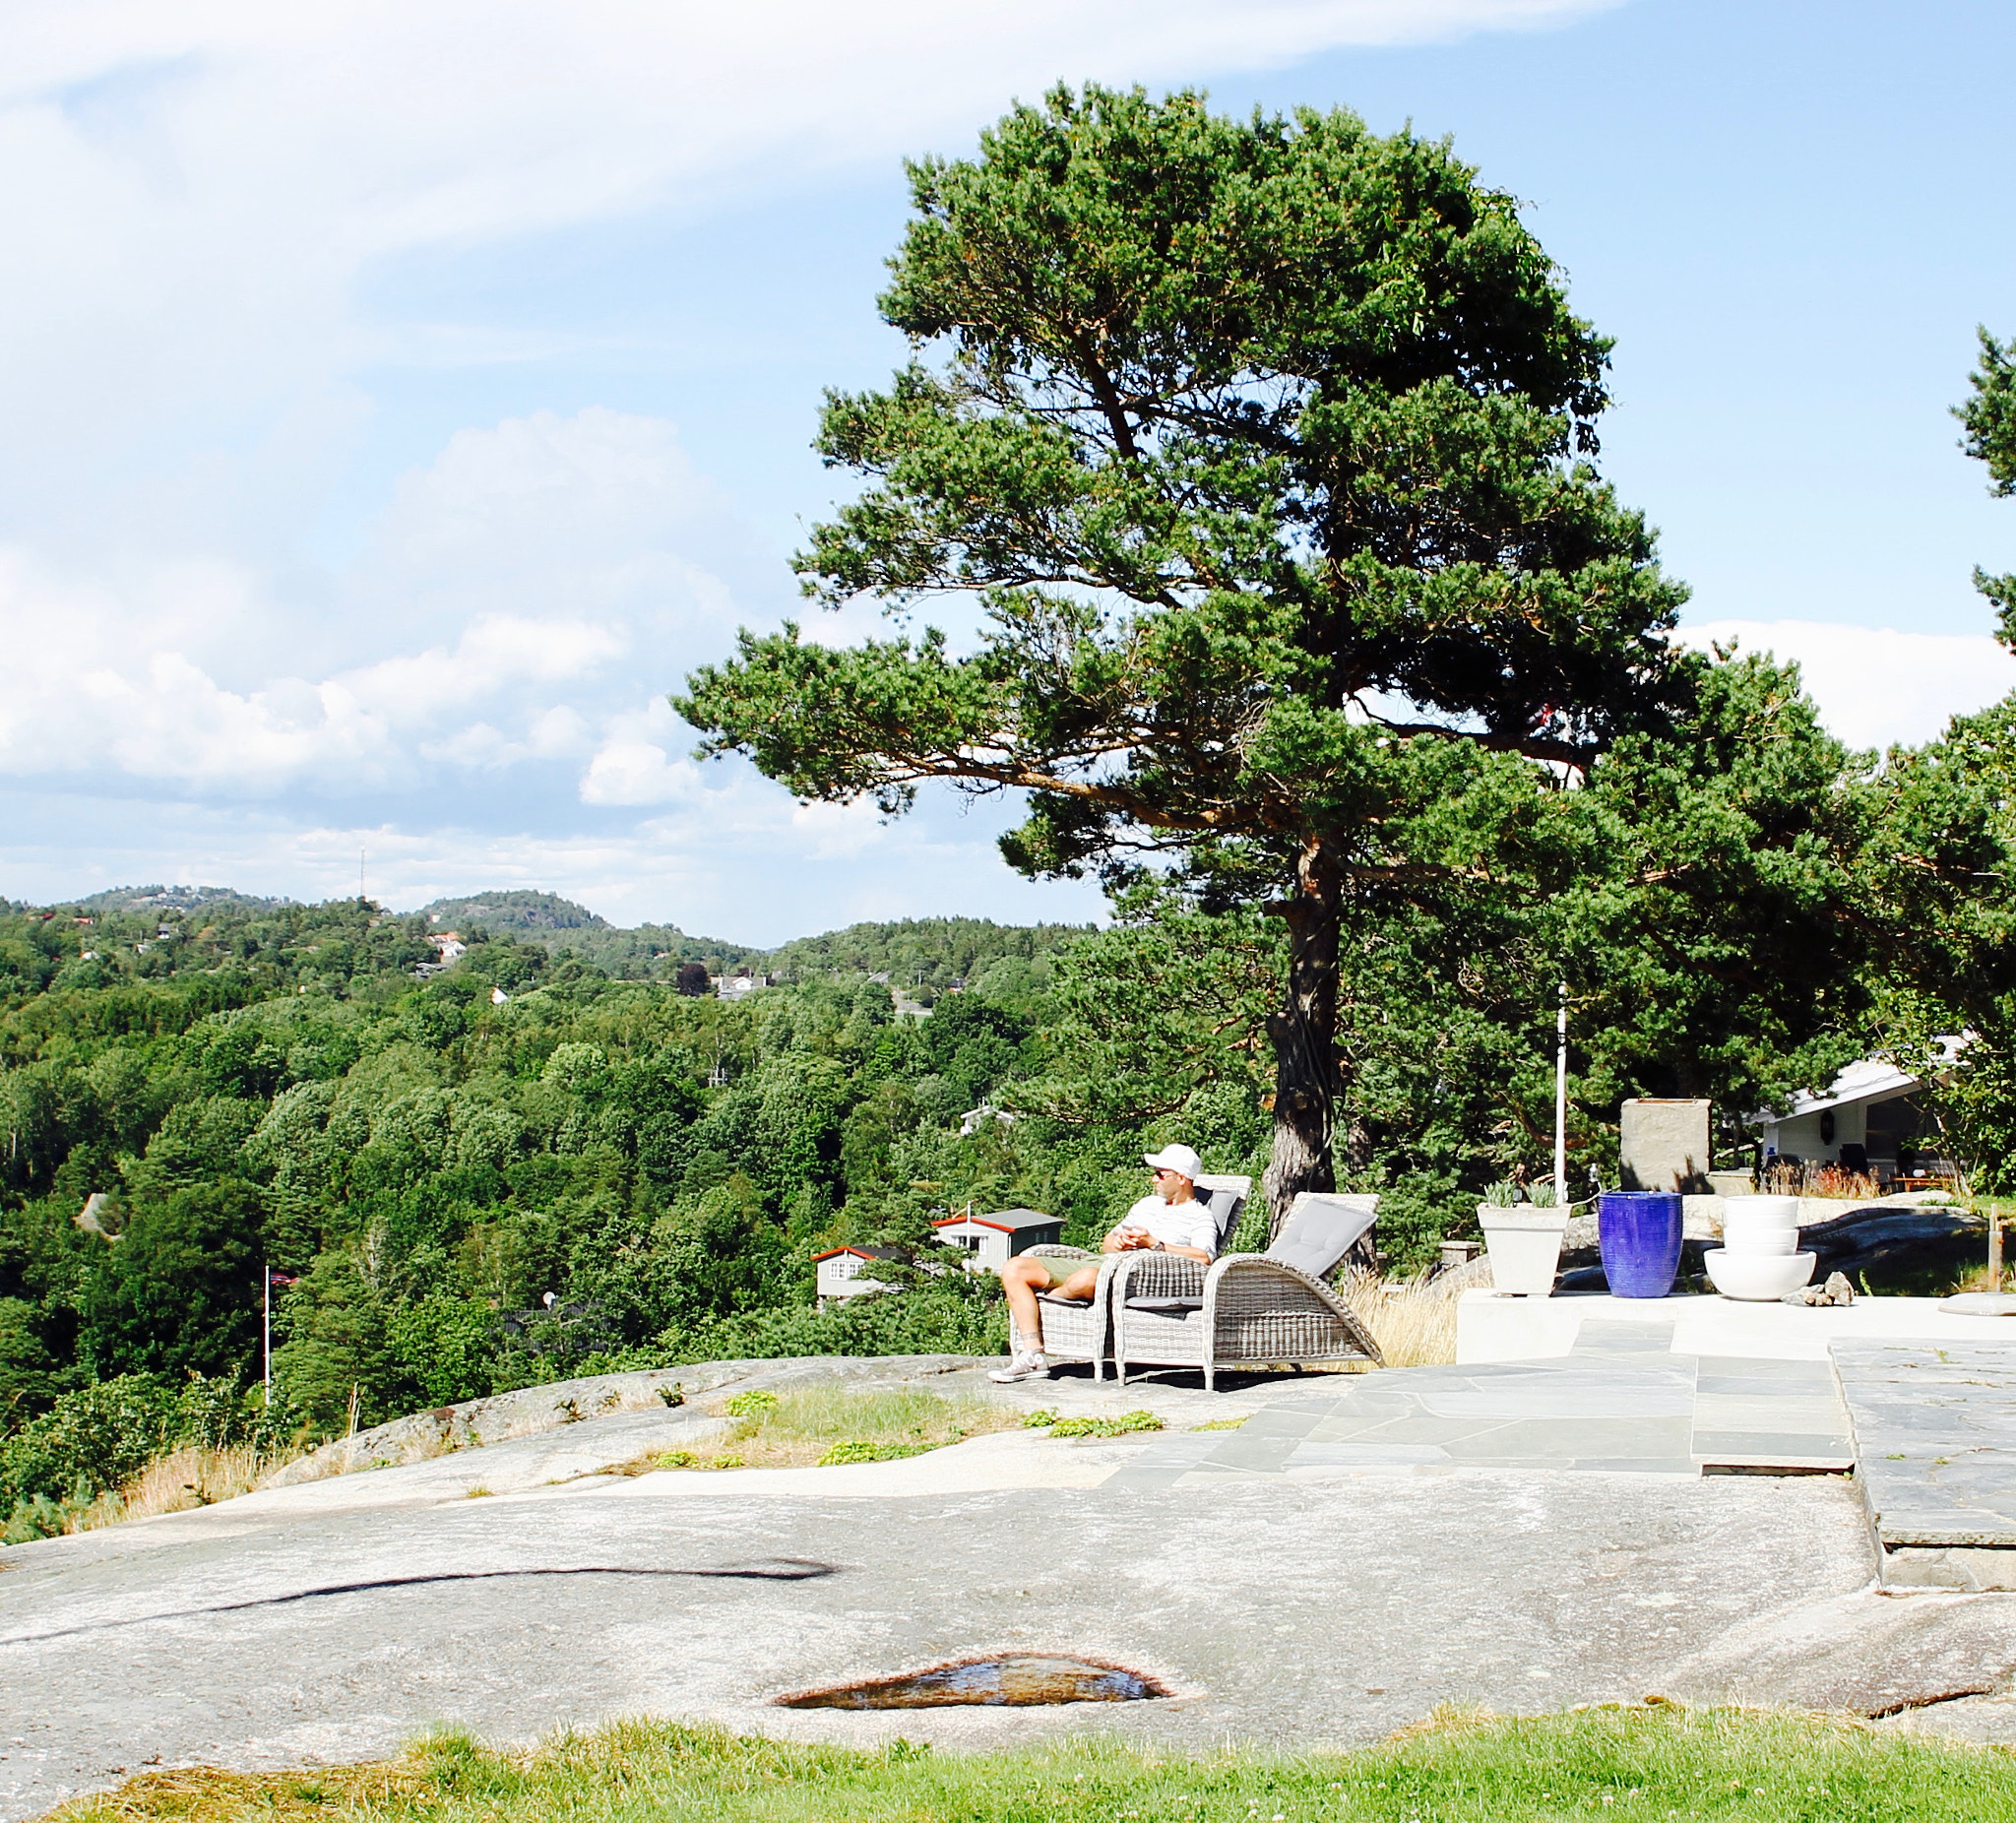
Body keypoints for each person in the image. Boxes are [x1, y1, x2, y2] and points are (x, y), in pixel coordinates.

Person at [988, 1143, 1219, 1383]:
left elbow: (1205, 1257)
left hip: (1131, 1276)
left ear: (1181, 1178)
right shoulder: (1146, 1205)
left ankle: (1048, 1297)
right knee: (1015, 1267)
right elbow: (1106, 1243)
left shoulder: (1199, 1215)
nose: (1153, 1179)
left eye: (1160, 1174)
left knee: (1087, 1278)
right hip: (1103, 1261)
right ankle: (1032, 1354)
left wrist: (1155, 1244)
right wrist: (1118, 1242)